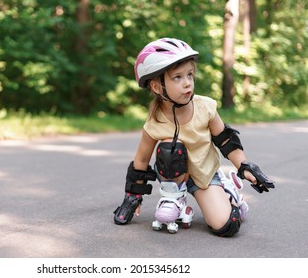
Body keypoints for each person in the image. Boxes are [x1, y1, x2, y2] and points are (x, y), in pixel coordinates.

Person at [113, 37, 275, 237]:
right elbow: (142, 160)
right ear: (156, 87)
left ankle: (229, 190)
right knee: (169, 146)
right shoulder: (155, 123)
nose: (187, 83)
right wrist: (132, 197)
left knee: (226, 226)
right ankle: (173, 197)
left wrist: (245, 167)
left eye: (190, 75)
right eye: (177, 77)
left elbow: (226, 141)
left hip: (204, 175)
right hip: (173, 178)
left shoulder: (205, 107)